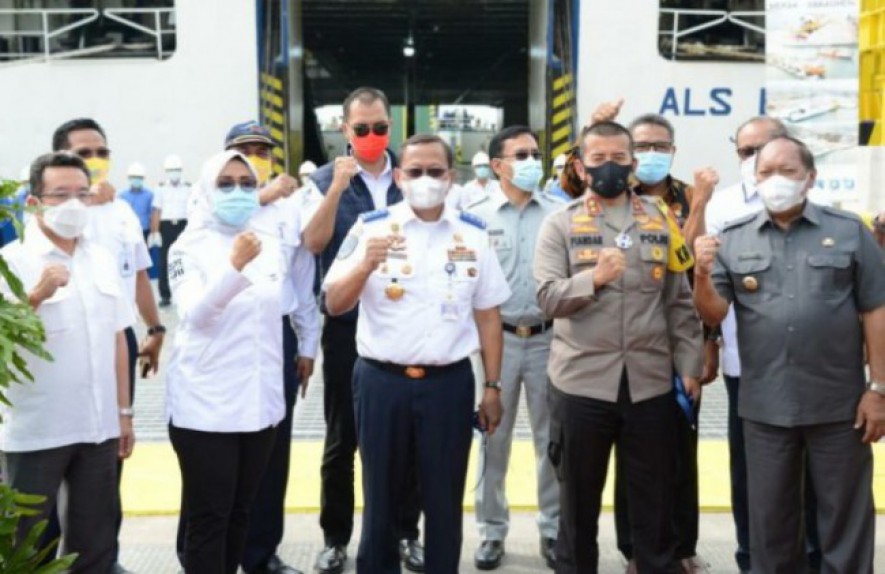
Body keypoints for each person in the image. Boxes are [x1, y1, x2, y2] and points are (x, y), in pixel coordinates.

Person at [693, 135, 885, 574]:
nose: (775, 181)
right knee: (771, 524)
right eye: (765, 173)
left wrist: (878, 388)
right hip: (765, 407)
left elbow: (876, 308)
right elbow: (713, 312)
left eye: (787, 172)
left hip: (840, 405)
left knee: (845, 520)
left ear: (810, 178)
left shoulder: (849, 230)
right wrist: (702, 274)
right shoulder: (733, 239)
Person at [323, 133, 510, 574]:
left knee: (444, 497)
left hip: (448, 385)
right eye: (415, 171)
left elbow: (488, 316)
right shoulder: (371, 227)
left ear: (450, 177)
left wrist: (493, 386)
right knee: (381, 495)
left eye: (434, 171)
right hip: (381, 381)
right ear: (400, 177)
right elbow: (334, 303)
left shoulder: (473, 235)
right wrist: (365, 265)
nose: (425, 179)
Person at [534, 120, 704, 574]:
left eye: (618, 158)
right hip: (581, 385)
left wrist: (690, 365)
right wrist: (594, 278)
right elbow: (547, 297)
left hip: (649, 386)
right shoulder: (560, 224)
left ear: (631, 162)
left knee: (654, 504)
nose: (610, 167)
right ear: (582, 166)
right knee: (578, 506)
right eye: (598, 159)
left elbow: (679, 302)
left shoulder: (659, 218)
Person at [590, 105, 720, 574]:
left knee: (681, 450)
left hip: (682, 337)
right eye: (639, 146)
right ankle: (635, 548)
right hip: (627, 347)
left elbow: (689, 265)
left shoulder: (690, 194)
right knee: (634, 454)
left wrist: (700, 203)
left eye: (658, 146)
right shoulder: (612, 197)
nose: (649, 155)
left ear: (673, 151)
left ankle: (681, 545)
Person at [301, 87, 423, 574]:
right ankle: (335, 536)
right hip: (347, 327)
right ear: (344, 130)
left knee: (406, 437)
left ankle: (405, 533)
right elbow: (313, 243)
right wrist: (334, 188)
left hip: (403, 325)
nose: (372, 136)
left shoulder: (410, 177)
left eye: (380, 128)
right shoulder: (324, 180)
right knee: (342, 438)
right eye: (362, 129)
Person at [0, 151, 135, 573]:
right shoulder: (13, 262)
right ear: (33, 202)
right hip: (36, 430)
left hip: (97, 428)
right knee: (27, 547)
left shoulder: (101, 258)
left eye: (81, 193)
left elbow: (117, 339)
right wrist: (35, 295)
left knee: (95, 542)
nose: (74, 204)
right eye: (60, 195)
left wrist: (124, 414)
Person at [703, 116, 823, 574]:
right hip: (746, 364)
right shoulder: (722, 206)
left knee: (811, 473)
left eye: (765, 148)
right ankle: (752, 556)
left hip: (811, 369)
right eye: (745, 152)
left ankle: (810, 556)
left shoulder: (822, 204)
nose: (756, 161)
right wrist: (710, 343)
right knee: (751, 472)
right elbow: (707, 286)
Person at [53, 117, 164, 574]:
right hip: (62, 345)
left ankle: (106, 557)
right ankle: (47, 558)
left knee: (111, 456)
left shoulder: (120, 211)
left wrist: (155, 329)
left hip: (118, 339)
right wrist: (76, 200)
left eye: (101, 152)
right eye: (84, 153)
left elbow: (137, 273)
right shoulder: (44, 209)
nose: (95, 161)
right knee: (57, 457)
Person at [166, 150, 284, 574]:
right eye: (226, 183)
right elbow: (195, 314)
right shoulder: (187, 247)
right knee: (210, 517)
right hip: (206, 408)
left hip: (258, 405)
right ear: (206, 189)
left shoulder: (267, 244)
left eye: (247, 184)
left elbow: (272, 319)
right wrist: (234, 267)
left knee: (241, 513)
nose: (238, 192)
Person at [226, 121, 320, 574]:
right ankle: (212, 552)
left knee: (272, 447)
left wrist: (307, 344)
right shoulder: (212, 199)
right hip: (223, 335)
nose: (256, 157)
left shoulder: (288, 211)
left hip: (276, 334)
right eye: (245, 150)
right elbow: (213, 222)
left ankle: (261, 553)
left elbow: (301, 279)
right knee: (217, 447)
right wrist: (258, 196)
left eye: (262, 150)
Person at [465, 126, 561, 570]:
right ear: (498, 165)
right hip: (495, 341)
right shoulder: (475, 216)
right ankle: (491, 531)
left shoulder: (559, 212)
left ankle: (554, 529)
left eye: (535, 153)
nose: (531, 162)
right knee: (492, 439)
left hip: (549, 339)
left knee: (552, 440)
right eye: (521, 155)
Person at [151, 154, 192, 307]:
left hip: (183, 225)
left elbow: (192, 210)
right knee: (164, 262)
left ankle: (185, 293)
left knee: (185, 260)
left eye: (176, 169)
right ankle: (165, 295)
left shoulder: (189, 187)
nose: (173, 172)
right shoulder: (160, 189)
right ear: (166, 171)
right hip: (166, 227)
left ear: (180, 170)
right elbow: (156, 211)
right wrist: (155, 232)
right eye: (171, 170)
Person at [119, 162, 153, 242]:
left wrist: (153, 233)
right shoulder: (122, 195)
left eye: (139, 177)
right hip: (127, 232)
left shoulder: (149, 195)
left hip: (144, 231)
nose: (136, 180)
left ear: (143, 178)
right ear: (129, 178)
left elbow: (152, 215)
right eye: (134, 177)